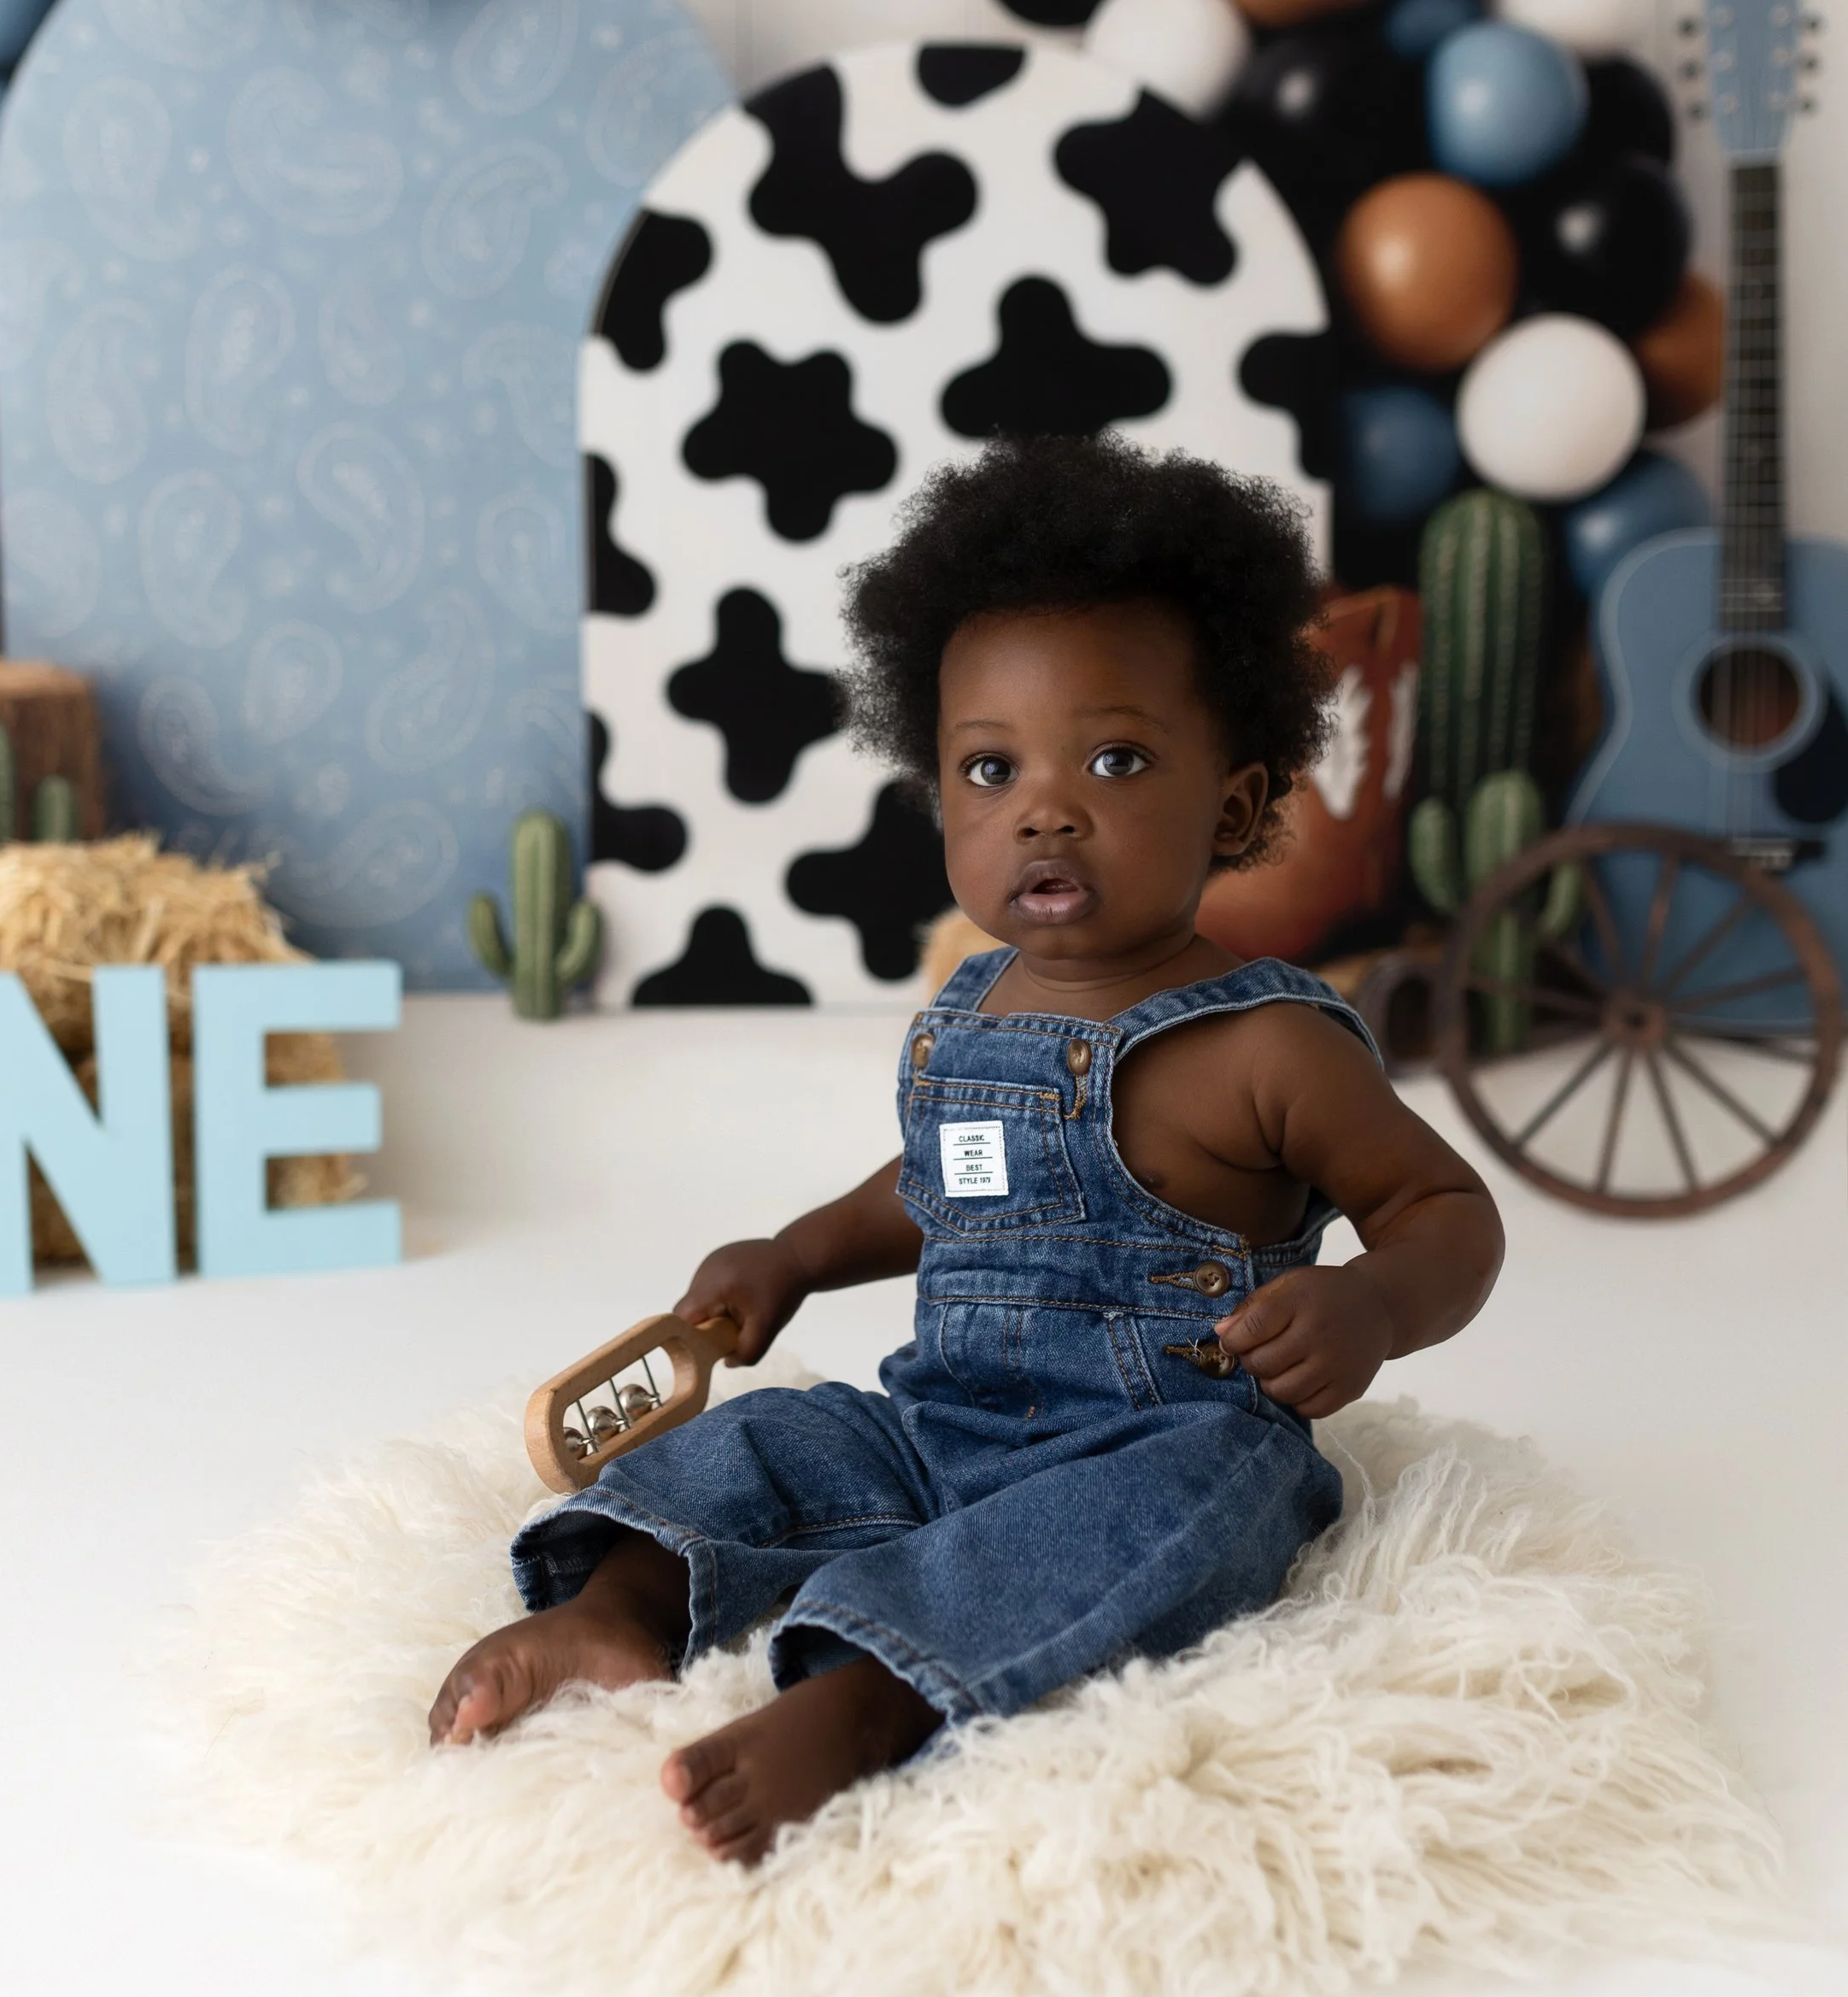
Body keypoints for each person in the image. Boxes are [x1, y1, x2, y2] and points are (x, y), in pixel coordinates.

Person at [431, 438, 1503, 1862]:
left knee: (1166, 1524)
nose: (1044, 807)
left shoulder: (1271, 1045)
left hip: (1163, 1438)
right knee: (762, 1444)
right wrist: (798, 1253)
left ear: (1236, 807)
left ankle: (867, 1700)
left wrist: (1370, 1300)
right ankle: (620, 1609)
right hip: (938, 1422)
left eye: (1115, 759)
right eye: (991, 768)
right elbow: (945, 1185)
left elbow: (1445, 1206)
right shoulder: (968, 1010)